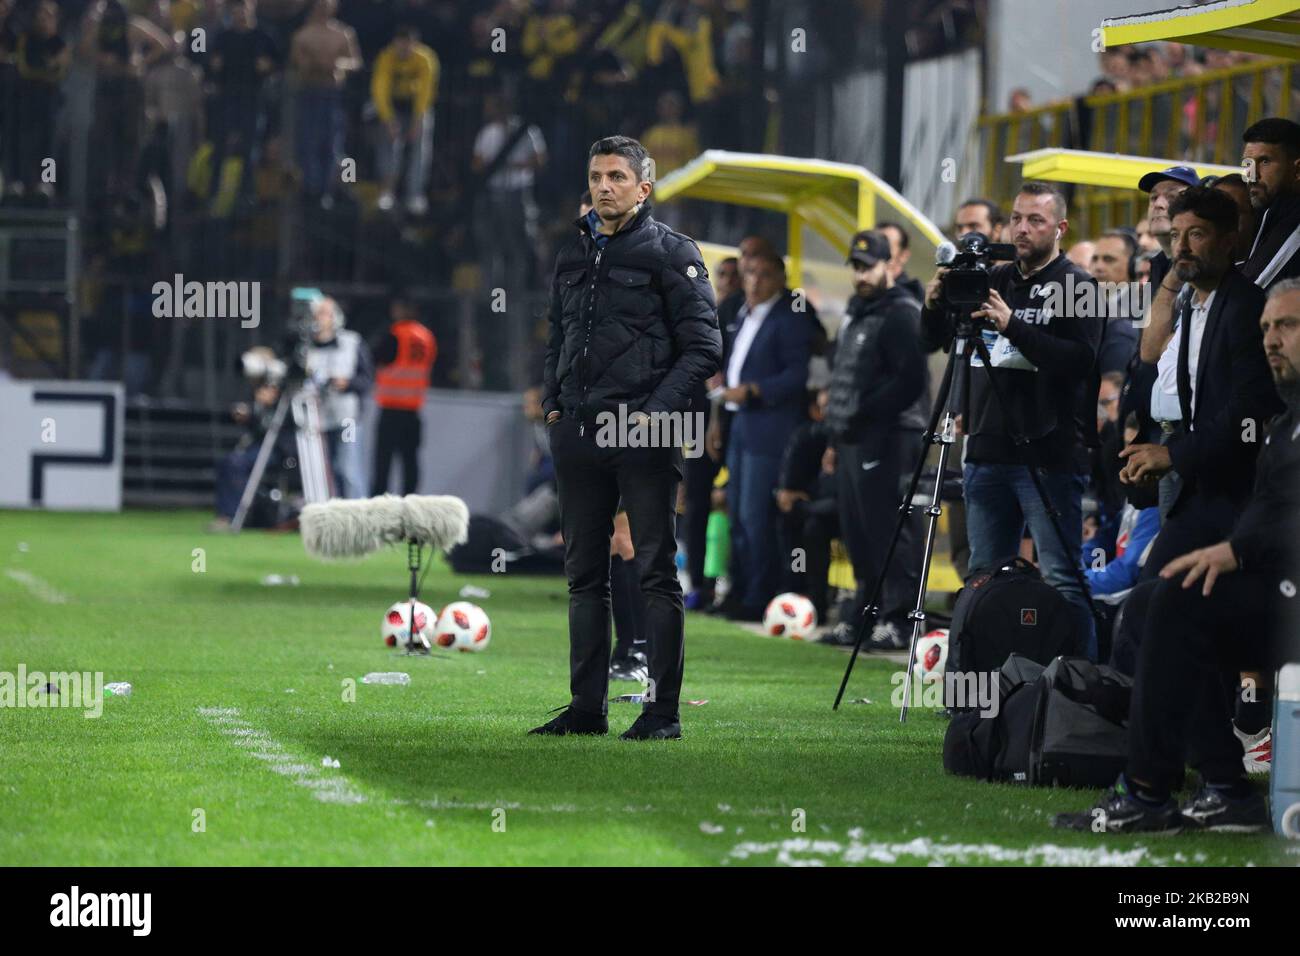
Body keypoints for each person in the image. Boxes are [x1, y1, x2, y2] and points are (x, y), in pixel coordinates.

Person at [1056, 278, 1300, 833]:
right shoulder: (1285, 425)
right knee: (1149, 604)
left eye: (1286, 325)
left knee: (1178, 602)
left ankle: (1146, 791)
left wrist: (1238, 550)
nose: (1270, 340)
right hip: (1279, 594)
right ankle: (1224, 786)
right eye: (1265, 328)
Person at [533, 135, 721, 741]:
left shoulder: (674, 253)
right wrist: (553, 406)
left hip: (645, 430)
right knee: (583, 575)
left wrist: (652, 414)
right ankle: (587, 709)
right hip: (579, 430)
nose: (603, 186)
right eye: (595, 176)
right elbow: (558, 337)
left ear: (644, 187)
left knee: (655, 571)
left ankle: (662, 713)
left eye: (617, 176)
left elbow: (704, 348)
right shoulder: (571, 254)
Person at [923, 181, 1103, 658]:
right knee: (983, 575)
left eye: (1036, 220)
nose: (1022, 228)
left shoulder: (1076, 284)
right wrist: (935, 302)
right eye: (1017, 219)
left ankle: (1078, 688)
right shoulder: (994, 278)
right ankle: (976, 691)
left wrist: (1012, 326)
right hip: (986, 447)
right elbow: (932, 341)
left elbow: (1080, 361)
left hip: (1049, 454)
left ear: (1060, 228)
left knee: (1063, 574)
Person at [1121, 186, 1283, 571]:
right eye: (1176, 235)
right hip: (1198, 478)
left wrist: (1174, 454)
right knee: (1164, 597)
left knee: (1157, 594)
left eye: (1196, 234)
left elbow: (1250, 409)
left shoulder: (1246, 306)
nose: (1182, 247)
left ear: (1228, 241)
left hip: (1234, 489)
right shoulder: (1192, 302)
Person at [823, 230, 928, 648]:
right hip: (854, 438)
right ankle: (865, 615)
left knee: (891, 529)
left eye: (869, 266)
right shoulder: (860, 310)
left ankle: (899, 620)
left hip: (889, 437)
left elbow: (911, 381)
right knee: (858, 532)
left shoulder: (901, 312)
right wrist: (838, 432)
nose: (861, 274)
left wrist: (865, 411)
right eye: (856, 266)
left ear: (890, 265)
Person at [718, 251, 812, 620]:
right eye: (750, 274)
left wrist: (755, 390)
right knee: (738, 515)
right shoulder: (744, 313)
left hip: (770, 428)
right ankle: (740, 589)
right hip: (741, 424)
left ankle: (761, 596)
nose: (754, 282)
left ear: (780, 279)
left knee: (757, 517)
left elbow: (797, 376)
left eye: (764, 275)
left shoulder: (791, 318)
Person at [289, 0, 361, 205]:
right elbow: (296, 63)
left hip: (333, 94)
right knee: (308, 141)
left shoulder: (343, 33)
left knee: (332, 143)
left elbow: (355, 61)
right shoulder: (303, 34)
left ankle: (327, 190)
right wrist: (310, 64)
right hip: (309, 92)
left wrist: (338, 64)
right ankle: (311, 187)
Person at [303, 296, 372, 499]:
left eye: (324, 313)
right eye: (316, 313)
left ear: (335, 317)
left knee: (348, 468)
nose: (319, 318)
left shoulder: (352, 342)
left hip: (348, 418)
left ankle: (360, 517)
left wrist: (347, 383)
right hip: (317, 419)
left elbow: (367, 380)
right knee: (327, 471)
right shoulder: (305, 347)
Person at [370, 292, 436, 496]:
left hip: (391, 408)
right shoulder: (426, 337)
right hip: (413, 410)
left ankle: (378, 506)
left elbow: (375, 357)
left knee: (383, 463)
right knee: (410, 462)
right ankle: (411, 502)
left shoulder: (395, 334)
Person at [371, 24, 439, 215]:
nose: (403, 49)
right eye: (400, 44)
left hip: (417, 106)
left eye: (407, 45)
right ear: (394, 43)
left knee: (420, 147)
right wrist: (388, 119)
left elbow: (426, 91)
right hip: (394, 105)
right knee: (389, 145)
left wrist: (418, 120)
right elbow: (380, 89)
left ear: (415, 44)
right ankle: (387, 191)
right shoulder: (386, 57)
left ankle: (415, 194)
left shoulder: (426, 58)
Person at [1239, 118, 1300, 289]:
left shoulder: (1294, 223)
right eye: (1247, 163)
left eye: (1264, 162)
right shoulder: (1266, 210)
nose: (1251, 175)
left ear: (1297, 170)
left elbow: (1249, 291)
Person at [877, 221, 924, 303]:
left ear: (904, 256)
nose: (877, 252)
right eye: (875, 245)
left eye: (885, 246)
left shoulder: (912, 294)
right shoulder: (866, 290)